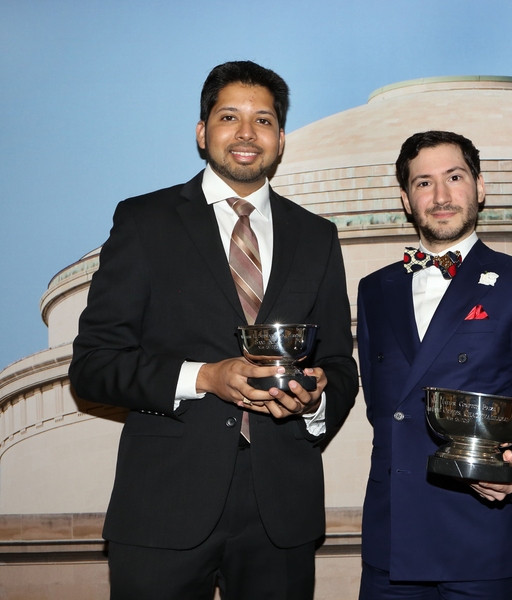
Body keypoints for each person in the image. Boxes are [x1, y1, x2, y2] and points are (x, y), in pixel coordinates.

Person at [69, 61, 358, 600]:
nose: (247, 133)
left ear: (281, 139)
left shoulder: (316, 236)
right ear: (202, 133)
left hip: (282, 513)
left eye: (264, 120)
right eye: (230, 117)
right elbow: (93, 366)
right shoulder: (145, 221)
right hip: (163, 504)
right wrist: (204, 376)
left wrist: (314, 400)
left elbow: (340, 364)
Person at [356, 130, 512, 599]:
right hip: (392, 542)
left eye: (454, 177)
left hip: (481, 536)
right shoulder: (375, 289)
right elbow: (383, 411)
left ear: (480, 187)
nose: (442, 195)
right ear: (406, 199)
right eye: (424, 183)